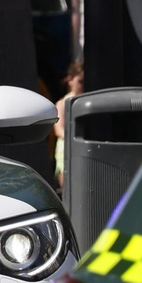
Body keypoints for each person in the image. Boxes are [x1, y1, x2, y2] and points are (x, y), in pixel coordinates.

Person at [54, 59, 84, 190]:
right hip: (65, 148)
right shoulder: (62, 103)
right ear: (70, 79)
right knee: (66, 187)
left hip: (82, 148)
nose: (83, 86)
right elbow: (58, 130)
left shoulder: (87, 101)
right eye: (80, 81)